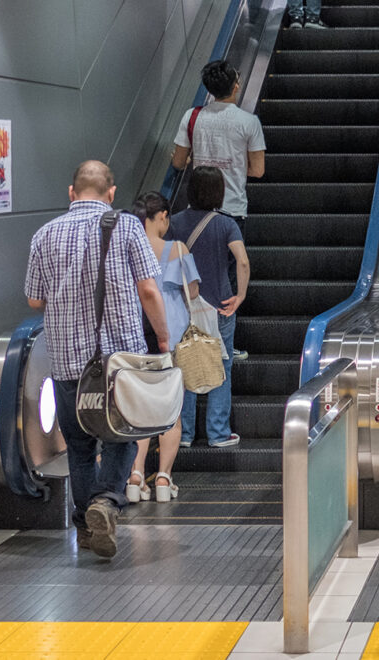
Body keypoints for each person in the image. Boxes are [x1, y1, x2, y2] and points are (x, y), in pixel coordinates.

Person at [24, 161, 170, 559]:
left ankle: (86, 524)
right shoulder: (126, 227)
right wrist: (162, 336)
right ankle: (105, 502)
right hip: (119, 360)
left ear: (71, 193)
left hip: (69, 362)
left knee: (79, 445)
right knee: (123, 435)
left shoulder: (44, 235)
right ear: (111, 193)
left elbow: (35, 299)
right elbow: (149, 290)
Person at [171, 60, 264, 359]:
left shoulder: (192, 116)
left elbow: (177, 161)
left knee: (193, 277)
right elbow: (258, 170)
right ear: (236, 86)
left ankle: (191, 341)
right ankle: (224, 345)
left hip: (195, 209)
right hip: (231, 208)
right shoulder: (249, 122)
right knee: (227, 280)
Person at [127, 192, 201, 503]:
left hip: (135, 336)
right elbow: (193, 291)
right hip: (171, 336)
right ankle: (163, 478)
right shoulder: (177, 249)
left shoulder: (127, 248)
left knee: (137, 410)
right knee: (170, 409)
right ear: (162, 217)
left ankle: (134, 476)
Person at [169, 167, 250, 448]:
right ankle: (217, 433)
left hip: (183, 307)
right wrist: (240, 295)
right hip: (220, 306)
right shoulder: (227, 224)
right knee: (221, 366)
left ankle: (185, 433)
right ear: (219, 192)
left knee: (184, 365)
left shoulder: (174, 223)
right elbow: (241, 260)